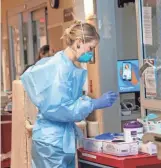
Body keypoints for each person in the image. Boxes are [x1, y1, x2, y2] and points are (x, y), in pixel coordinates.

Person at [20, 21, 118, 168]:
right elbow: (60, 109)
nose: (91, 53)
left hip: (61, 140)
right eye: (90, 48)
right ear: (79, 42)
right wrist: (93, 103)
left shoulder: (67, 65)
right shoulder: (60, 68)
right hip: (51, 144)